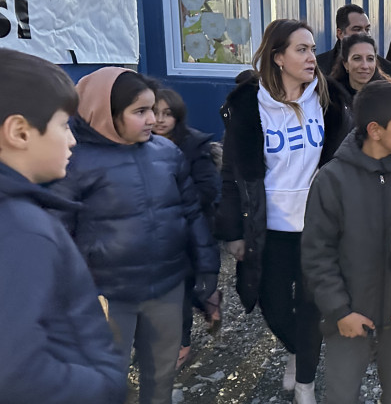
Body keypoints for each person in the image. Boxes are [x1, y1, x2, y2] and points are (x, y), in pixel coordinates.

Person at [49, 68, 220, 404]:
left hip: (167, 288)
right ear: (106, 114)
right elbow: (57, 233)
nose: (153, 120)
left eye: (154, 110)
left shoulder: (167, 154)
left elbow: (191, 214)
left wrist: (207, 267)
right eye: (140, 112)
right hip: (107, 296)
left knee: (161, 374)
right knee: (105, 378)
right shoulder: (74, 161)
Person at [214, 19, 351, 402]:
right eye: (301, 50)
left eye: (312, 49)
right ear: (278, 57)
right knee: (271, 304)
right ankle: (296, 349)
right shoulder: (248, 105)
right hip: (268, 227)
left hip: (318, 225)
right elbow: (233, 174)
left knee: (311, 308)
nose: (312, 58)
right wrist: (234, 233)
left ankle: (305, 383)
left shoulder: (330, 100)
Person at [0, 49, 127, 404]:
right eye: (62, 125)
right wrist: (104, 385)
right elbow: (15, 373)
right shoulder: (22, 231)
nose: (71, 139)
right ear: (20, 132)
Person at [301, 81, 391, 403]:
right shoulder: (332, 179)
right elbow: (317, 254)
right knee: (342, 395)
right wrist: (339, 311)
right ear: (375, 130)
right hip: (348, 318)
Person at [152, 88, 223, 369]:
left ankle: (182, 343)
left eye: (167, 114)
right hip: (154, 234)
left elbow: (208, 190)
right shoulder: (136, 142)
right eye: (153, 112)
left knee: (178, 293)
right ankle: (209, 300)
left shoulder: (193, 146)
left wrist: (173, 200)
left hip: (189, 232)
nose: (159, 120)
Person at [317, 3, 391, 82]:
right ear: (340, 33)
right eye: (357, 29)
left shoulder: (386, 68)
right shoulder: (320, 66)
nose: (365, 34)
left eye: (367, 29)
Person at [331, 33, 391, 106]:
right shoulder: (331, 97)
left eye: (370, 59)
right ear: (345, 64)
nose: (365, 66)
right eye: (357, 58)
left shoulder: (389, 95)